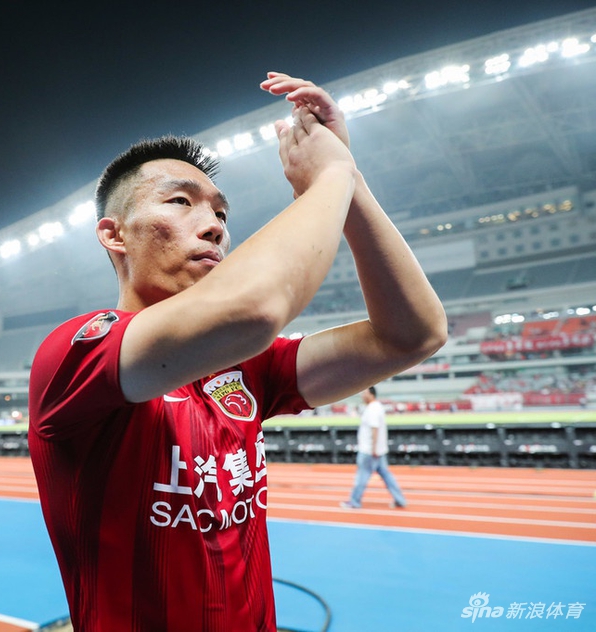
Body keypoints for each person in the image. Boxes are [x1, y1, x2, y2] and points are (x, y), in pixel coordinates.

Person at [28, 71, 447, 631]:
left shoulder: (246, 368)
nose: (213, 228)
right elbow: (255, 309)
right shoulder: (77, 352)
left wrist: (351, 183)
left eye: (222, 214)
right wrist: (328, 179)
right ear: (115, 234)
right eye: (181, 202)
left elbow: (412, 334)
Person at [340, 386, 407, 509]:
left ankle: (355, 501)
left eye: (364, 393)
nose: (362, 395)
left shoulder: (373, 409)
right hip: (378, 450)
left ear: (371, 394)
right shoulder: (377, 407)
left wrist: (374, 449)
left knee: (362, 476)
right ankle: (400, 499)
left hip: (369, 450)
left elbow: (374, 429)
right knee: (386, 475)